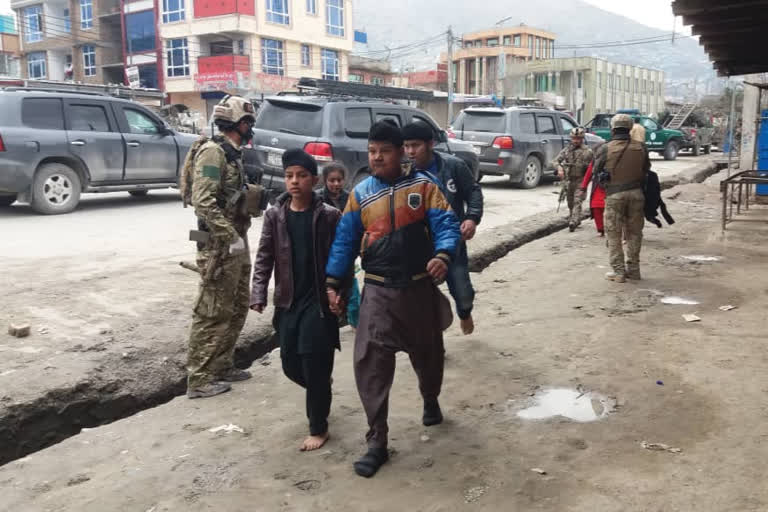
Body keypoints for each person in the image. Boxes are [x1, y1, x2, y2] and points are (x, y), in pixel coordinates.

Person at [325, 121, 461, 478]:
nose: (377, 158)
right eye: (372, 152)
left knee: (430, 356)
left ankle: (430, 399)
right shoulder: (361, 194)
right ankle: (377, 442)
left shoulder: (424, 187)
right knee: (370, 365)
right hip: (377, 292)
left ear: (401, 152)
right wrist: (333, 282)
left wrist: (443, 255)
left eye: (384, 152)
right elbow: (344, 241)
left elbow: (447, 225)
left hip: (418, 289)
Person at [250, 149, 344, 452]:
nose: (294, 181)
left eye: (301, 176)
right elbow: (264, 256)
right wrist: (258, 292)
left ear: (313, 180)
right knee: (291, 364)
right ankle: (321, 390)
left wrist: (338, 291)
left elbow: (342, 257)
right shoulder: (275, 215)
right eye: (290, 176)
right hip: (288, 301)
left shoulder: (329, 216)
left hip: (317, 303)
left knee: (315, 363)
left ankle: (319, 427)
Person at [186, 95, 256, 399]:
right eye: (249, 122)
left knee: (238, 306)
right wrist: (230, 236)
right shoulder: (213, 154)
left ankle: (222, 366)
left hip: (236, 240)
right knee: (212, 311)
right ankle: (199, 379)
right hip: (218, 244)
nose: (251, 127)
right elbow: (202, 201)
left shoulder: (232, 153)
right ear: (240, 123)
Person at [402, 122, 483, 335]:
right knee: (422, 300)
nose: (410, 151)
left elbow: (473, 192)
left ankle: (465, 313)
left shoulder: (453, 166)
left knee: (463, 292)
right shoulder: (403, 175)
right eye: (406, 146)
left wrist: (471, 218)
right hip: (419, 248)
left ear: (430, 144)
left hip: (451, 244)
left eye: (415, 145)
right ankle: (433, 343)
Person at [592, 114, 651, 283]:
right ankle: (634, 270)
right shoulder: (641, 147)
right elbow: (646, 169)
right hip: (637, 194)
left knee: (614, 234)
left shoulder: (605, 148)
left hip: (614, 196)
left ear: (612, 129)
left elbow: (597, 171)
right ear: (630, 128)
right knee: (634, 233)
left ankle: (618, 272)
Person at [318, 162, 360, 328]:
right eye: (332, 180)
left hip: (346, 253)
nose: (336, 184)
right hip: (325, 253)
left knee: (352, 292)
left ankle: (357, 324)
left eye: (339, 180)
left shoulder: (350, 198)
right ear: (325, 180)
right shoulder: (318, 199)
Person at [553, 127, 594, 232]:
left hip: (581, 180)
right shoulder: (567, 150)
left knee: (577, 200)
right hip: (570, 180)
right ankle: (576, 218)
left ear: (582, 139)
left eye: (578, 138)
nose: (576, 140)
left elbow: (593, 167)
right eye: (574, 138)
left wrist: (588, 178)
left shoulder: (588, 152)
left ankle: (573, 221)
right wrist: (559, 168)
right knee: (570, 202)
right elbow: (556, 161)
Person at [579, 145, 606, 237]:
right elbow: (588, 174)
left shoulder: (614, 159)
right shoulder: (595, 161)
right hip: (598, 187)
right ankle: (601, 229)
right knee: (596, 207)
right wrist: (583, 187)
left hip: (611, 188)